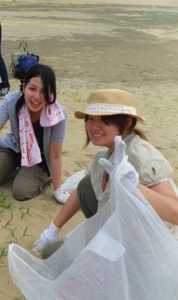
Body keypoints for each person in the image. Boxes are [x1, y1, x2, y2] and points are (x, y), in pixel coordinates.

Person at [33, 88, 178, 256]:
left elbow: (175, 213)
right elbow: (81, 191)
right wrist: (53, 228)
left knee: (58, 257)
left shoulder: (140, 154)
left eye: (104, 120)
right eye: (90, 119)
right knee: (87, 185)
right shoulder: (104, 155)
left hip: (148, 248)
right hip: (120, 230)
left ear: (128, 122)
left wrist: (134, 186)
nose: (94, 127)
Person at [0, 64, 66, 201]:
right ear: (23, 87)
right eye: (32, 89)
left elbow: (55, 155)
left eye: (44, 91)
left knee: (21, 192)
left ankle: (44, 175)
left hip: (39, 157)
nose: (37, 97)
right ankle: (12, 164)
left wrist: (59, 189)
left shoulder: (58, 114)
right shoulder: (11, 101)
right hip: (15, 147)